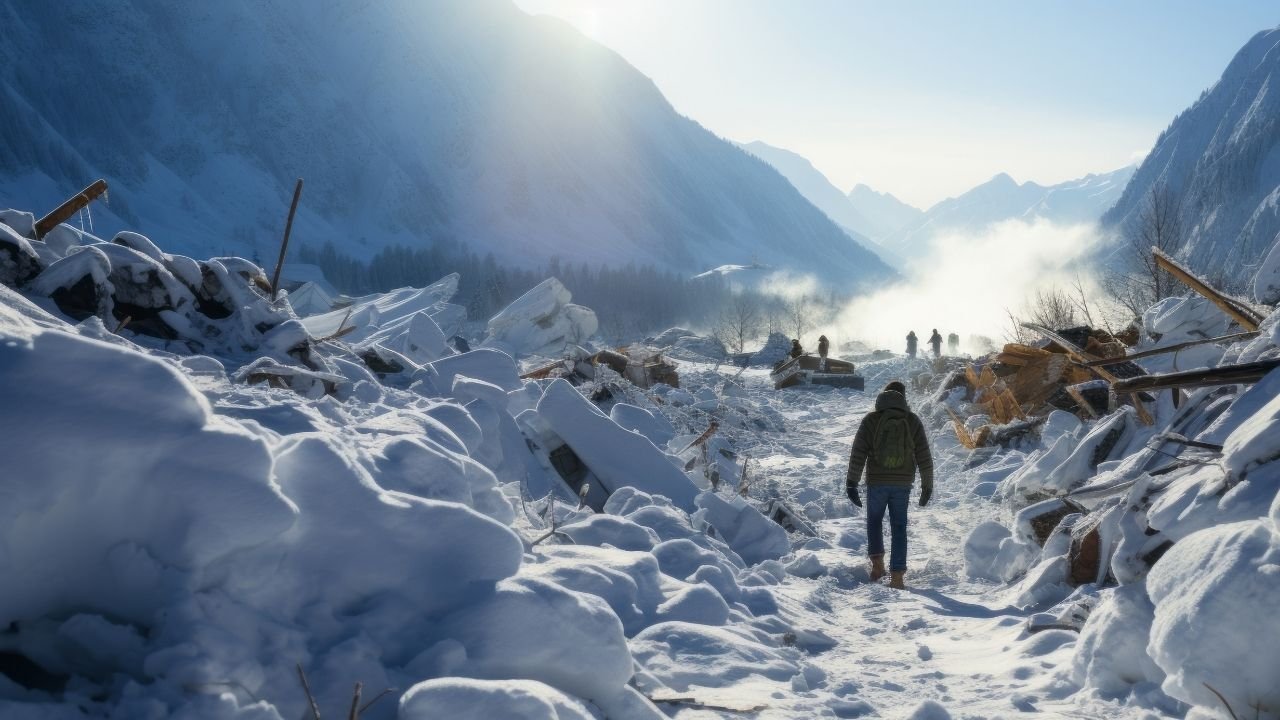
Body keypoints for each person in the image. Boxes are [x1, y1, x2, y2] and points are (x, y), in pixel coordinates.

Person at [845, 380, 934, 589]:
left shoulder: (871, 420)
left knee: (874, 522)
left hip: (876, 482)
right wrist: (927, 485)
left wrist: (852, 482)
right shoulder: (912, 421)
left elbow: (858, 453)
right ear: (903, 398)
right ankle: (897, 577)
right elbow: (923, 455)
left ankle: (877, 567)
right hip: (902, 484)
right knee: (899, 526)